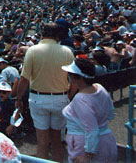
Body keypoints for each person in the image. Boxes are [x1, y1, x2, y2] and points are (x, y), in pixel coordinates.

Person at [15, 23, 74, 161]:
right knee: (56, 142)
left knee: (42, 143)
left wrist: (18, 99)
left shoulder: (33, 50)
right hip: (60, 99)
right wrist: (68, 96)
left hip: (39, 99)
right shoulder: (67, 51)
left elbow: (24, 79)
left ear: (42, 34)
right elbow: (75, 79)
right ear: (57, 36)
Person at [61, 58, 117, 162]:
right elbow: (110, 114)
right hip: (106, 140)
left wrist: (87, 155)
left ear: (77, 78)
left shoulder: (80, 99)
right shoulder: (100, 88)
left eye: (70, 74)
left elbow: (92, 130)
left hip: (85, 146)